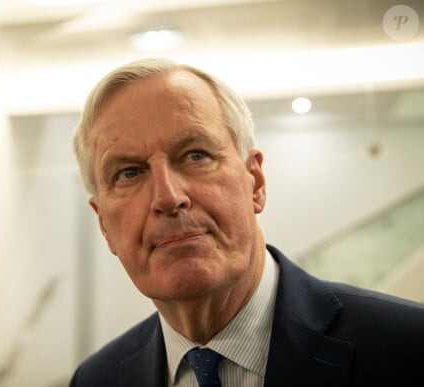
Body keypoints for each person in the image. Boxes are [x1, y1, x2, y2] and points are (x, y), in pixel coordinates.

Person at [69, 58, 424, 387]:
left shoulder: (407, 347)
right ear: (103, 225)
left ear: (255, 182)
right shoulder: (98, 379)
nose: (167, 197)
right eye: (129, 173)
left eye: (195, 155)